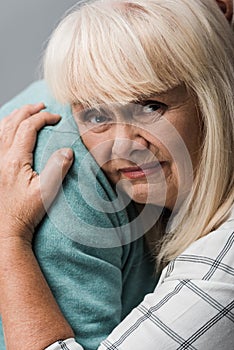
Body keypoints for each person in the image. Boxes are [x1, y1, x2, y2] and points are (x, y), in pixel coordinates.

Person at [0, 0, 233, 349]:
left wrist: (8, 236)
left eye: (150, 107)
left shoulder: (222, 265)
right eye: (96, 116)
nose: (122, 146)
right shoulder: (64, 166)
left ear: (212, 96)